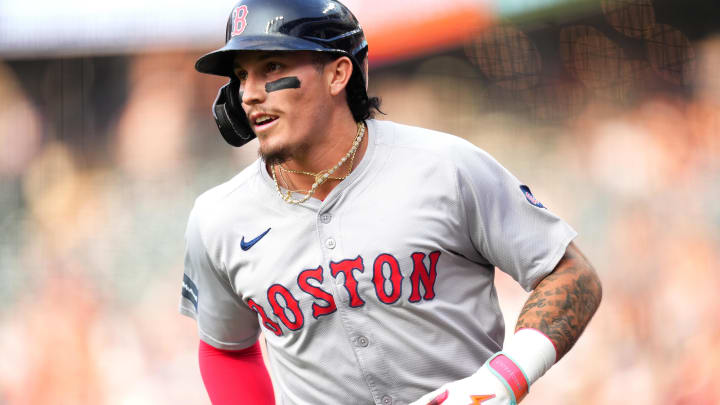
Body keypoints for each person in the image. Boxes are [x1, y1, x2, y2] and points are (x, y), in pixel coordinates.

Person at [179, 0, 602, 404]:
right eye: (240, 75)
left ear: (337, 74)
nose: (249, 94)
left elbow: (571, 274)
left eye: (271, 66)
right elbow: (226, 347)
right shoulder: (218, 218)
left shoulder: (446, 167)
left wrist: (506, 378)